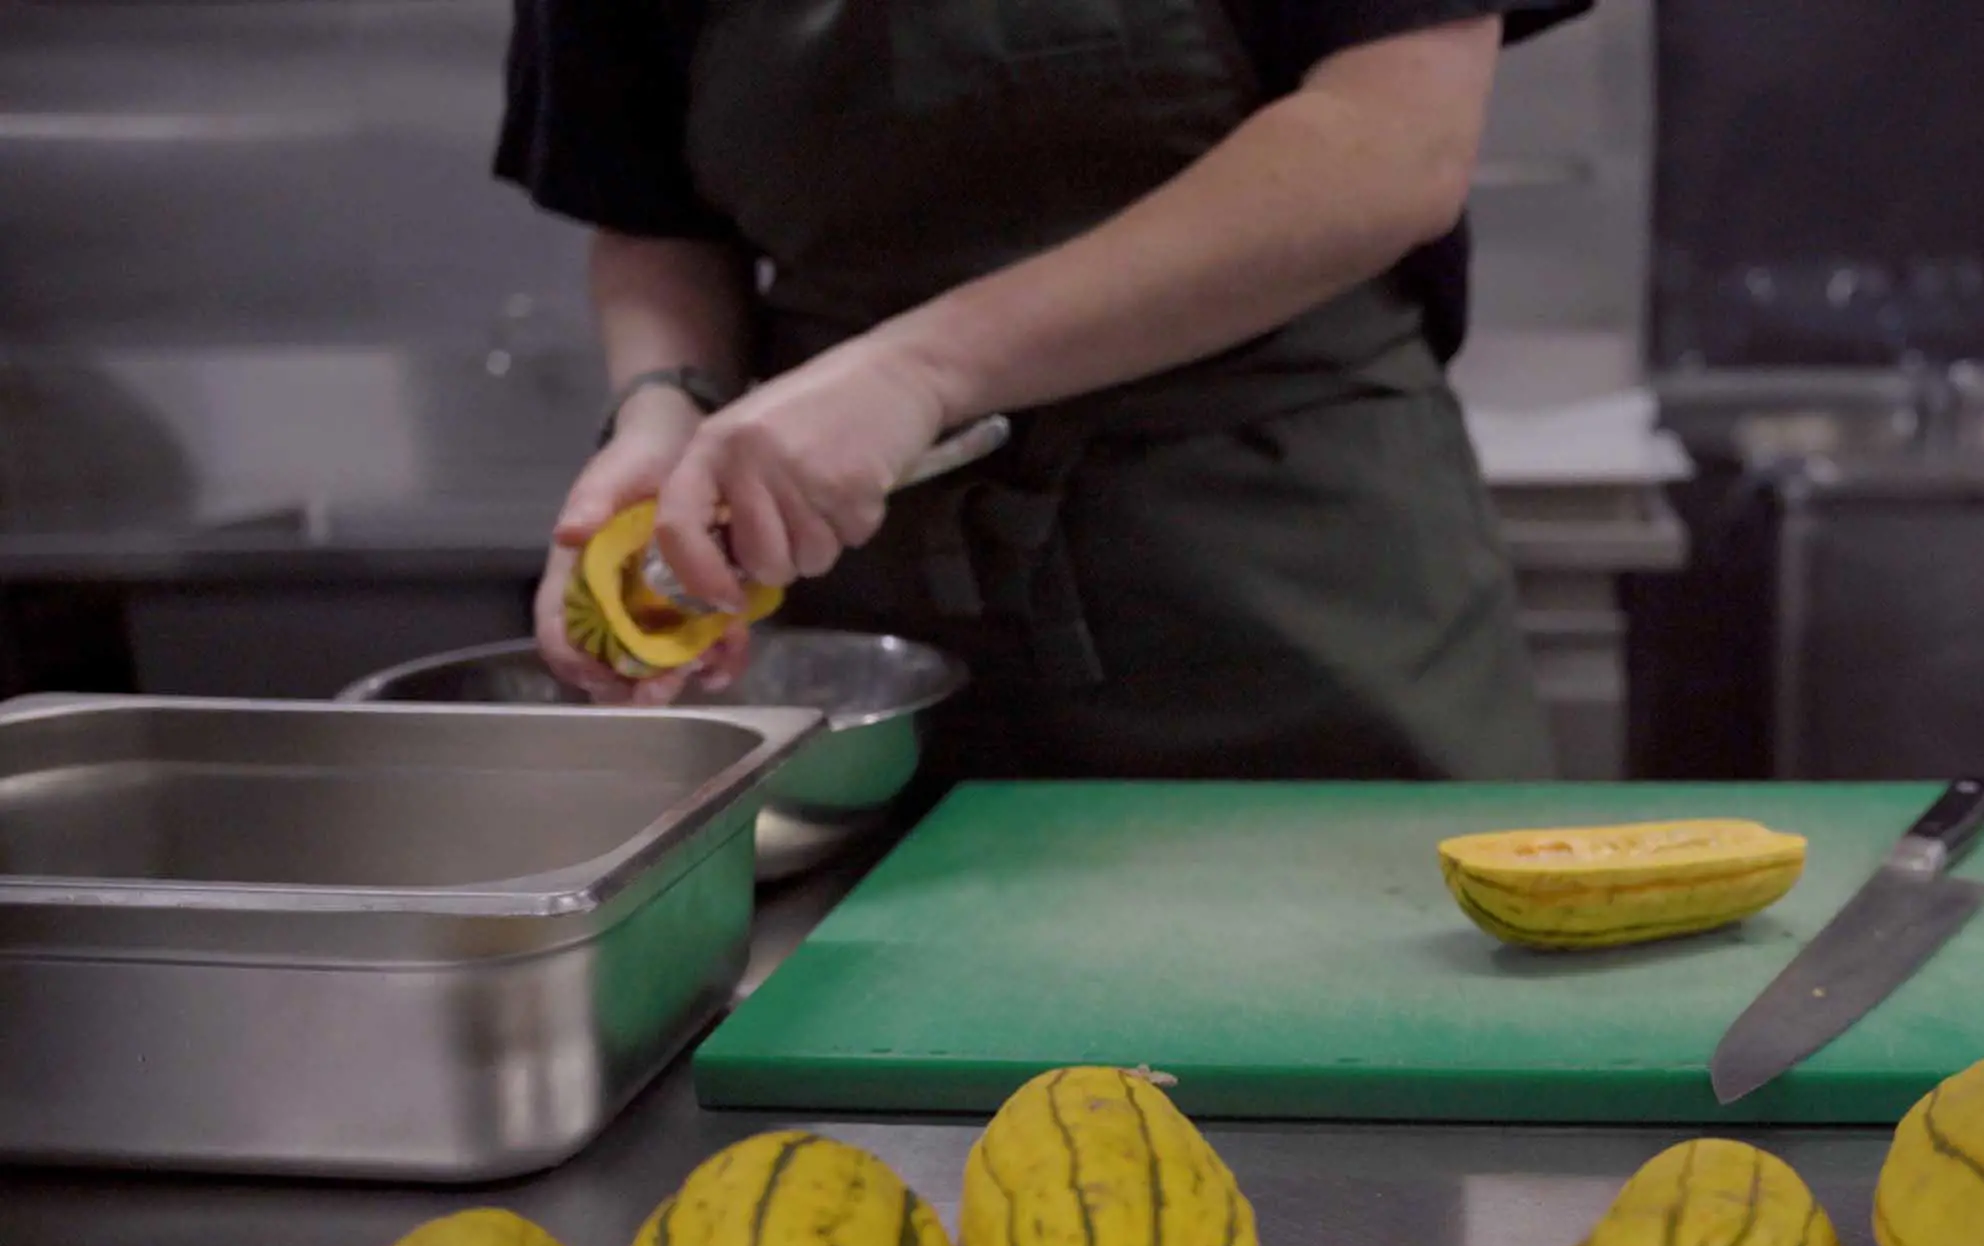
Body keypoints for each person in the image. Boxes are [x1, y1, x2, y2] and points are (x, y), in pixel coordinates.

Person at [496, 0, 1582, 780]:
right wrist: (669, 407)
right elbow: (651, 212)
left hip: (1288, 592)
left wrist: (918, 370)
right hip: (876, 643)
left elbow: (1390, 142)